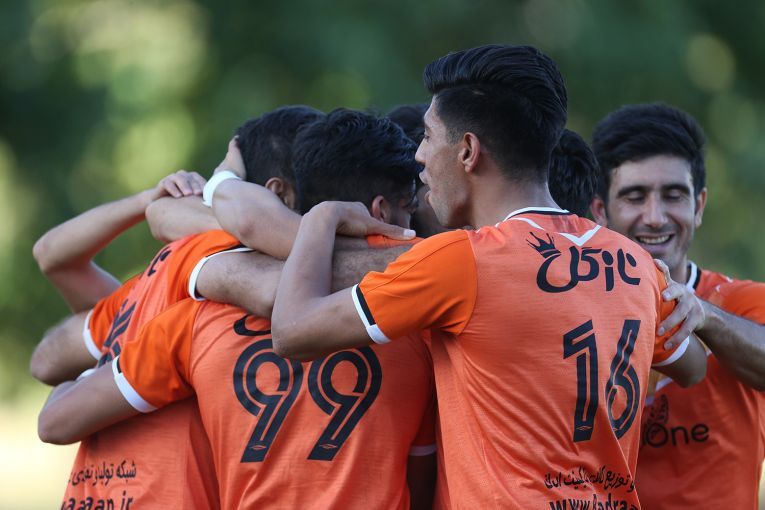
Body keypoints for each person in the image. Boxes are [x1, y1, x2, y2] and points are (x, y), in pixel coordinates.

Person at [269, 44, 708, 507]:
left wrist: (320, 218)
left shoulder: (461, 260)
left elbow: (292, 331)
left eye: (427, 137)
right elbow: (693, 366)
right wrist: (688, 307)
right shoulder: (634, 262)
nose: (419, 156)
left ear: (468, 151)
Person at [38, 109, 436, 509]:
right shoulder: (418, 311)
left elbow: (48, 366)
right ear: (278, 195)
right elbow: (272, 290)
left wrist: (179, 196)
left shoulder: (187, 301)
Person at [590, 102, 765, 509]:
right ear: (600, 211)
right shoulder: (574, 307)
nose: (654, 217)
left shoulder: (743, 300)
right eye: (634, 196)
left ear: (698, 206)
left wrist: (706, 317)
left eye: (673, 195)